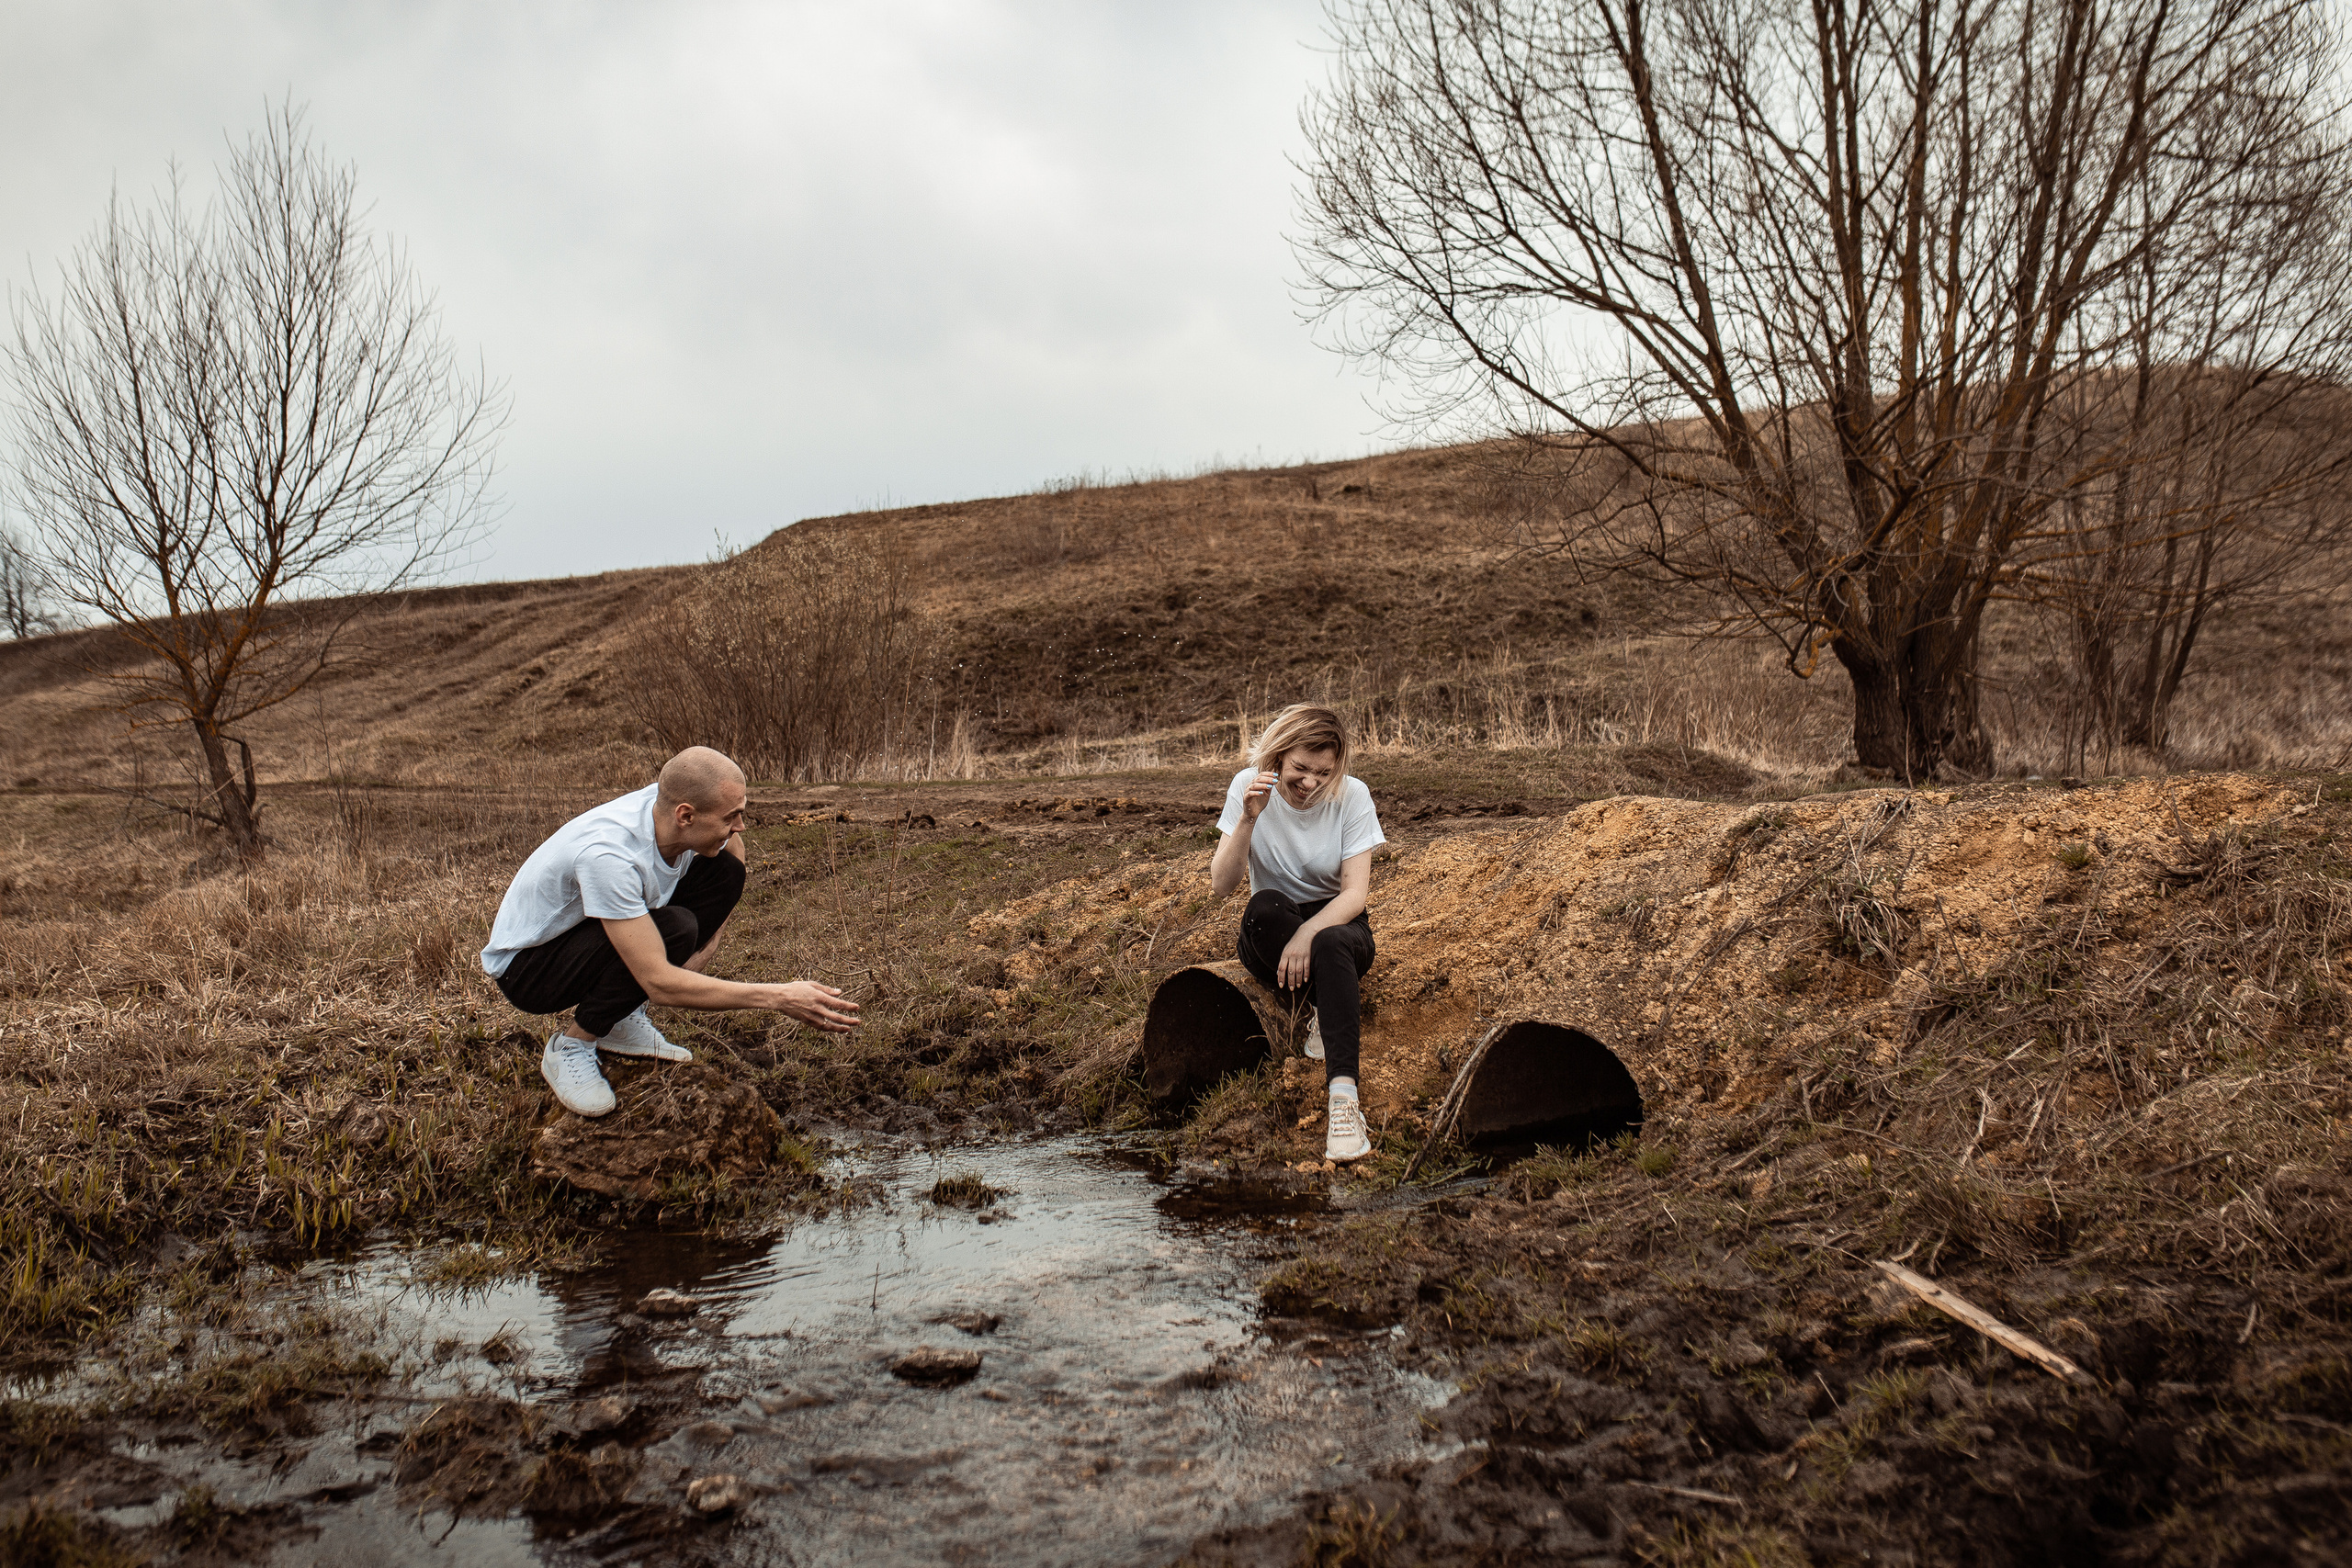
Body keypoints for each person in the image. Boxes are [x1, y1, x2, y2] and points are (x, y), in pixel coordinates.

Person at [481, 746, 859, 1117]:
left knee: (726, 872)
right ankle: (573, 1046)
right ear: (686, 815)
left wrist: (711, 942)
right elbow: (660, 983)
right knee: (676, 930)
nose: (740, 825)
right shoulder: (610, 857)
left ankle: (619, 1017)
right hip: (529, 969)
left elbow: (735, 847)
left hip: (586, 933)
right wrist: (779, 997)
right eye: (732, 816)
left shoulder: (665, 804)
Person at [1210, 705, 1385, 1162]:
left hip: (1340, 928)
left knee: (1329, 941)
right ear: (1279, 756)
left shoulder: (1352, 795)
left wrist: (1309, 932)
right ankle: (1320, 1000)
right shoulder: (1247, 787)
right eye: (1300, 769)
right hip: (1272, 930)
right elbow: (1221, 884)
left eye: (1323, 773)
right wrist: (1249, 818)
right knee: (1263, 906)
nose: (1310, 783)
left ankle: (1345, 1104)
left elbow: (1354, 896)